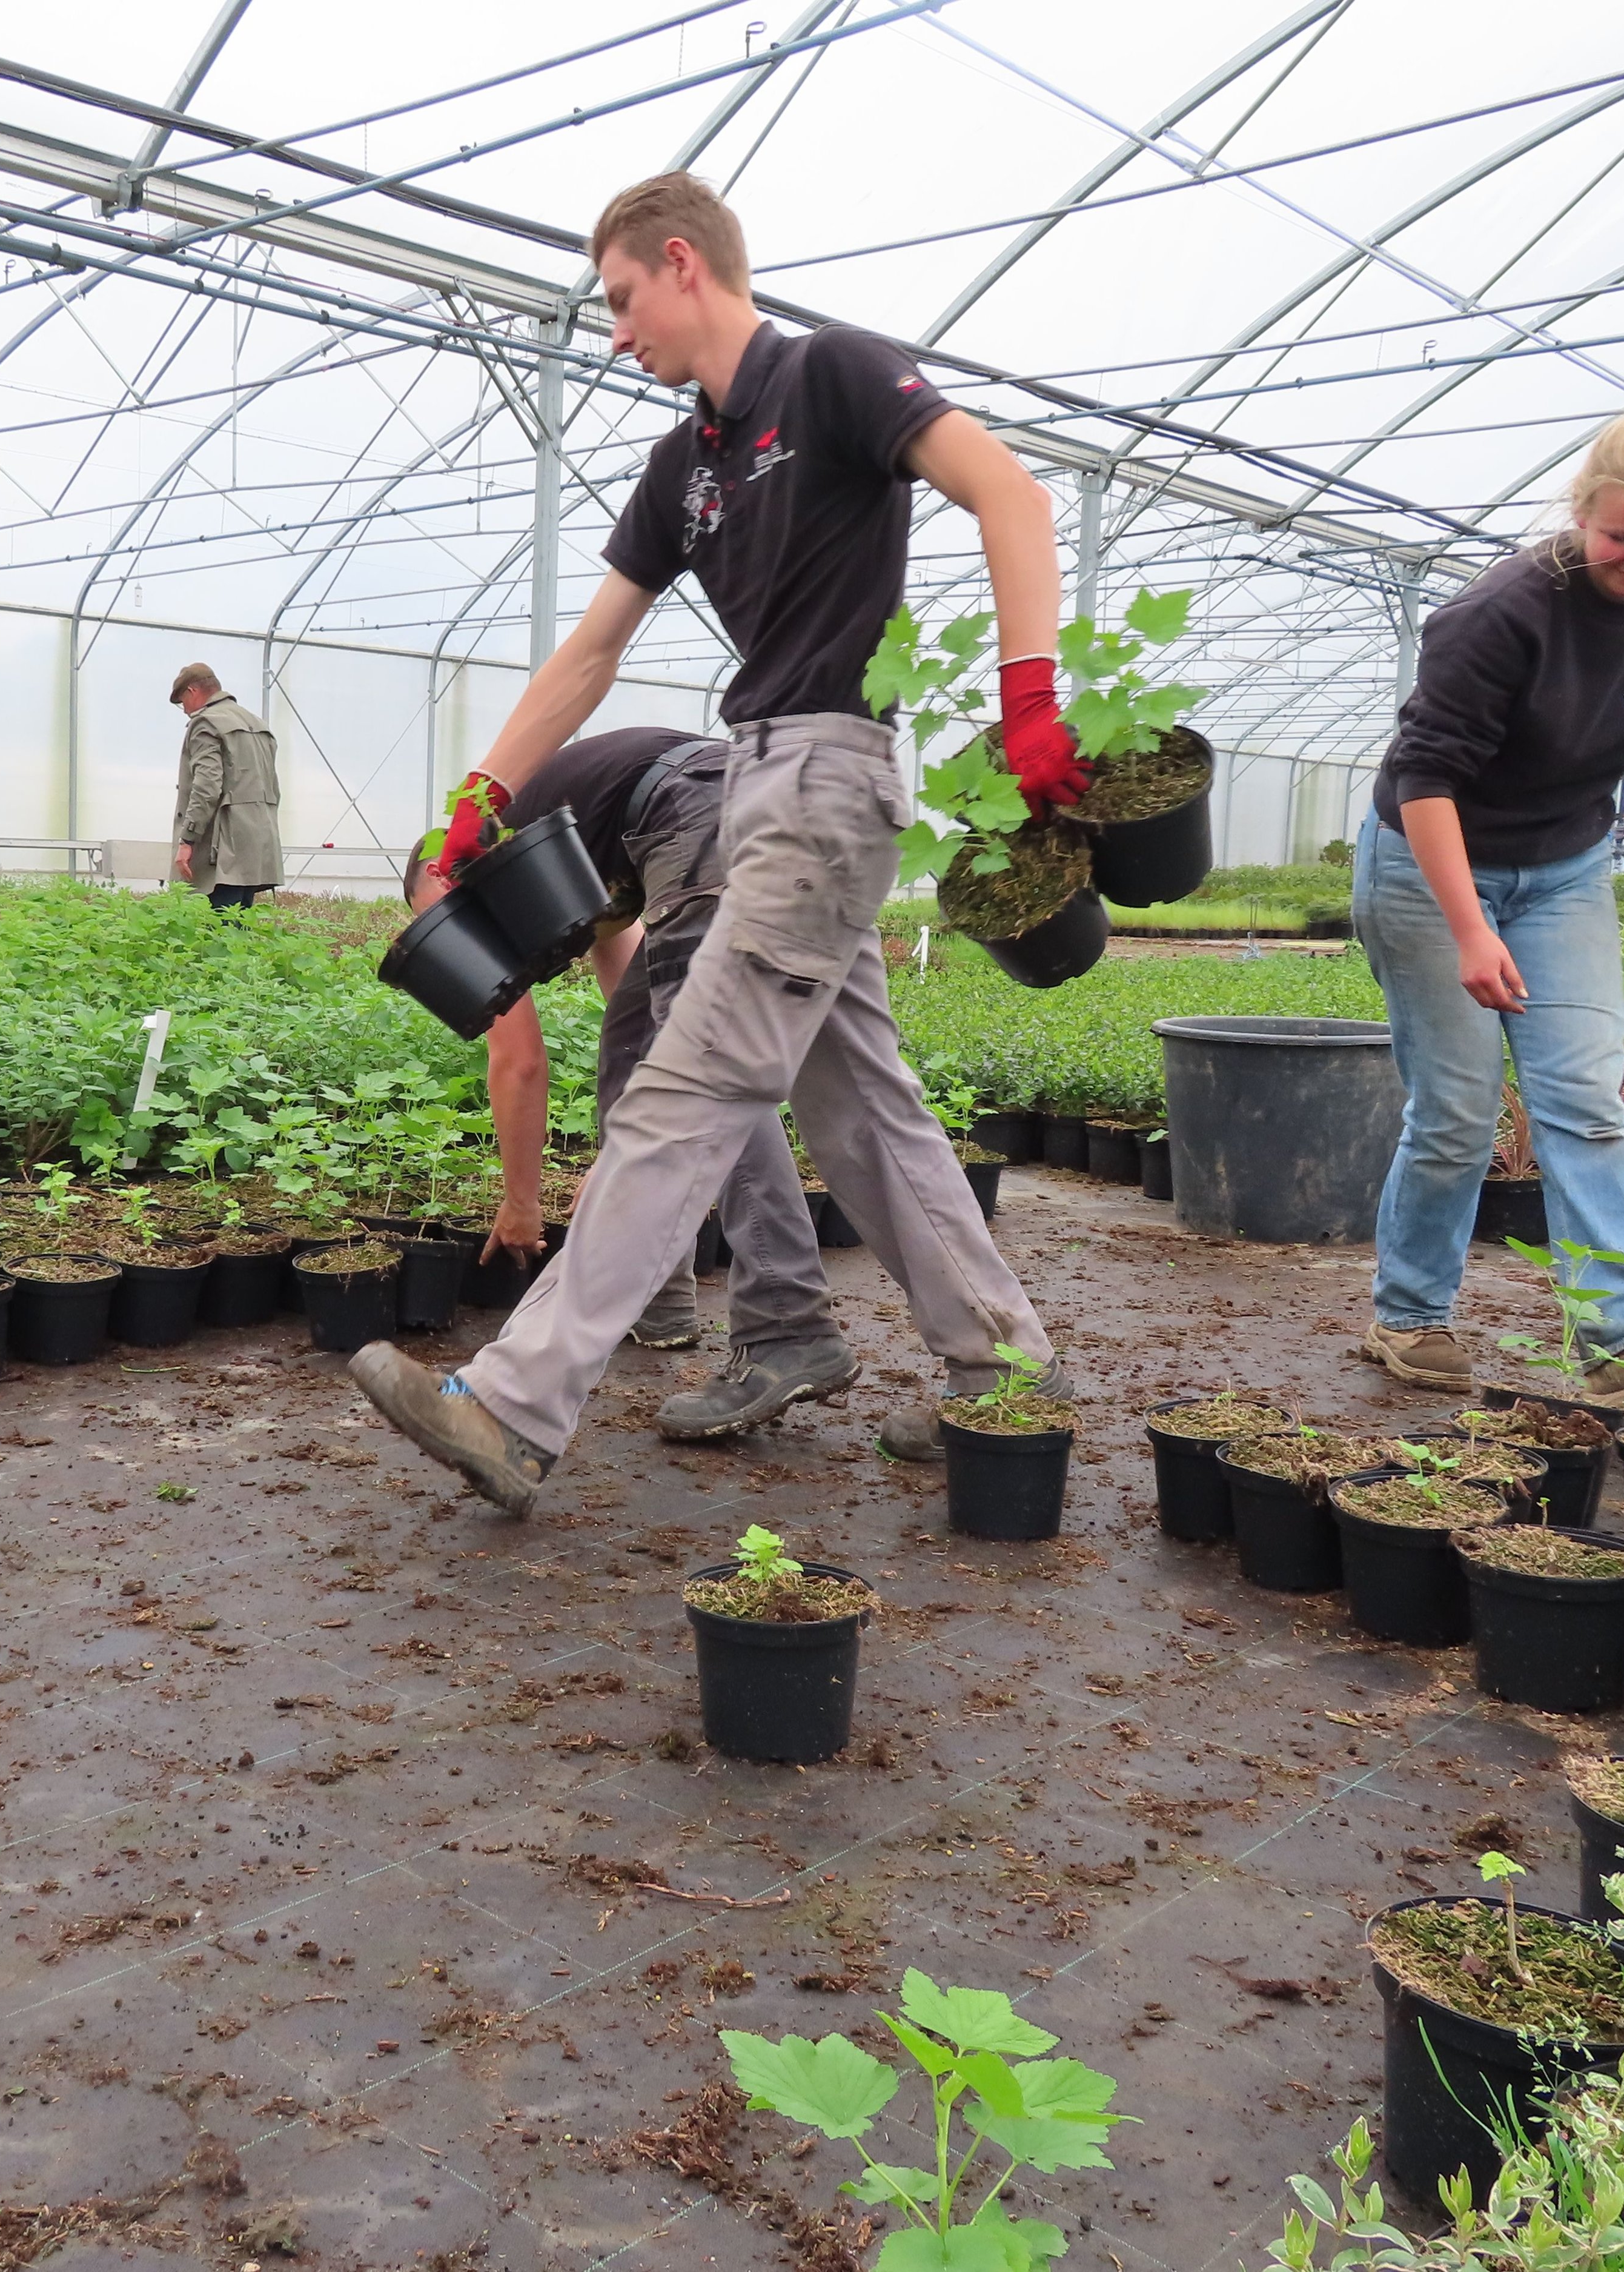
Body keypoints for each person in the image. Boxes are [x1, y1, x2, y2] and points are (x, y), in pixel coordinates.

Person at [349, 172, 1069, 1515]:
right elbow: (592, 651)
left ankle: (511, 1405)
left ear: (684, 264)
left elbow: (1010, 498)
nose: (616, 334)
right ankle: (1006, 1374)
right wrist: (480, 800)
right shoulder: (685, 468)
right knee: (861, 1102)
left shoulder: (838, 377)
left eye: (622, 301)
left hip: (829, 779)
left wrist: (1032, 700)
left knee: (680, 1097)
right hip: (754, 784)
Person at [1353, 402, 1624, 1401]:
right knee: (1456, 1110)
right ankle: (1409, 1317)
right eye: (1622, 536)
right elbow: (1425, 781)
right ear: (1581, 510)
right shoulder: (1501, 615)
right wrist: (1470, 928)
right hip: (1429, 864)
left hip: (1567, 872)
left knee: (1584, 1102)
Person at [402, 723, 858, 1437]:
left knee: (711, 1078)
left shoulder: (488, 868)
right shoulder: (568, 848)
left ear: (442, 882)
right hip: (774, 802)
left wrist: (522, 1204)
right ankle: (664, 1299)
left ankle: (784, 1320)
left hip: (700, 812)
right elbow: (633, 1010)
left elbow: (517, 1061)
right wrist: (625, 1146)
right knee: (636, 1050)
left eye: (432, 923)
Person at [168, 663, 280, 911]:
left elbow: (207, 786)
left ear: (192, 691)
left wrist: (187, 840)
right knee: (239, 934)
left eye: (182, 702)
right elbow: (273, 787)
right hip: (258, 847)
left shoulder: (206, 724)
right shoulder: (258, 724)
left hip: (222, 854)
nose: (185, 711)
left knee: (216, 934)